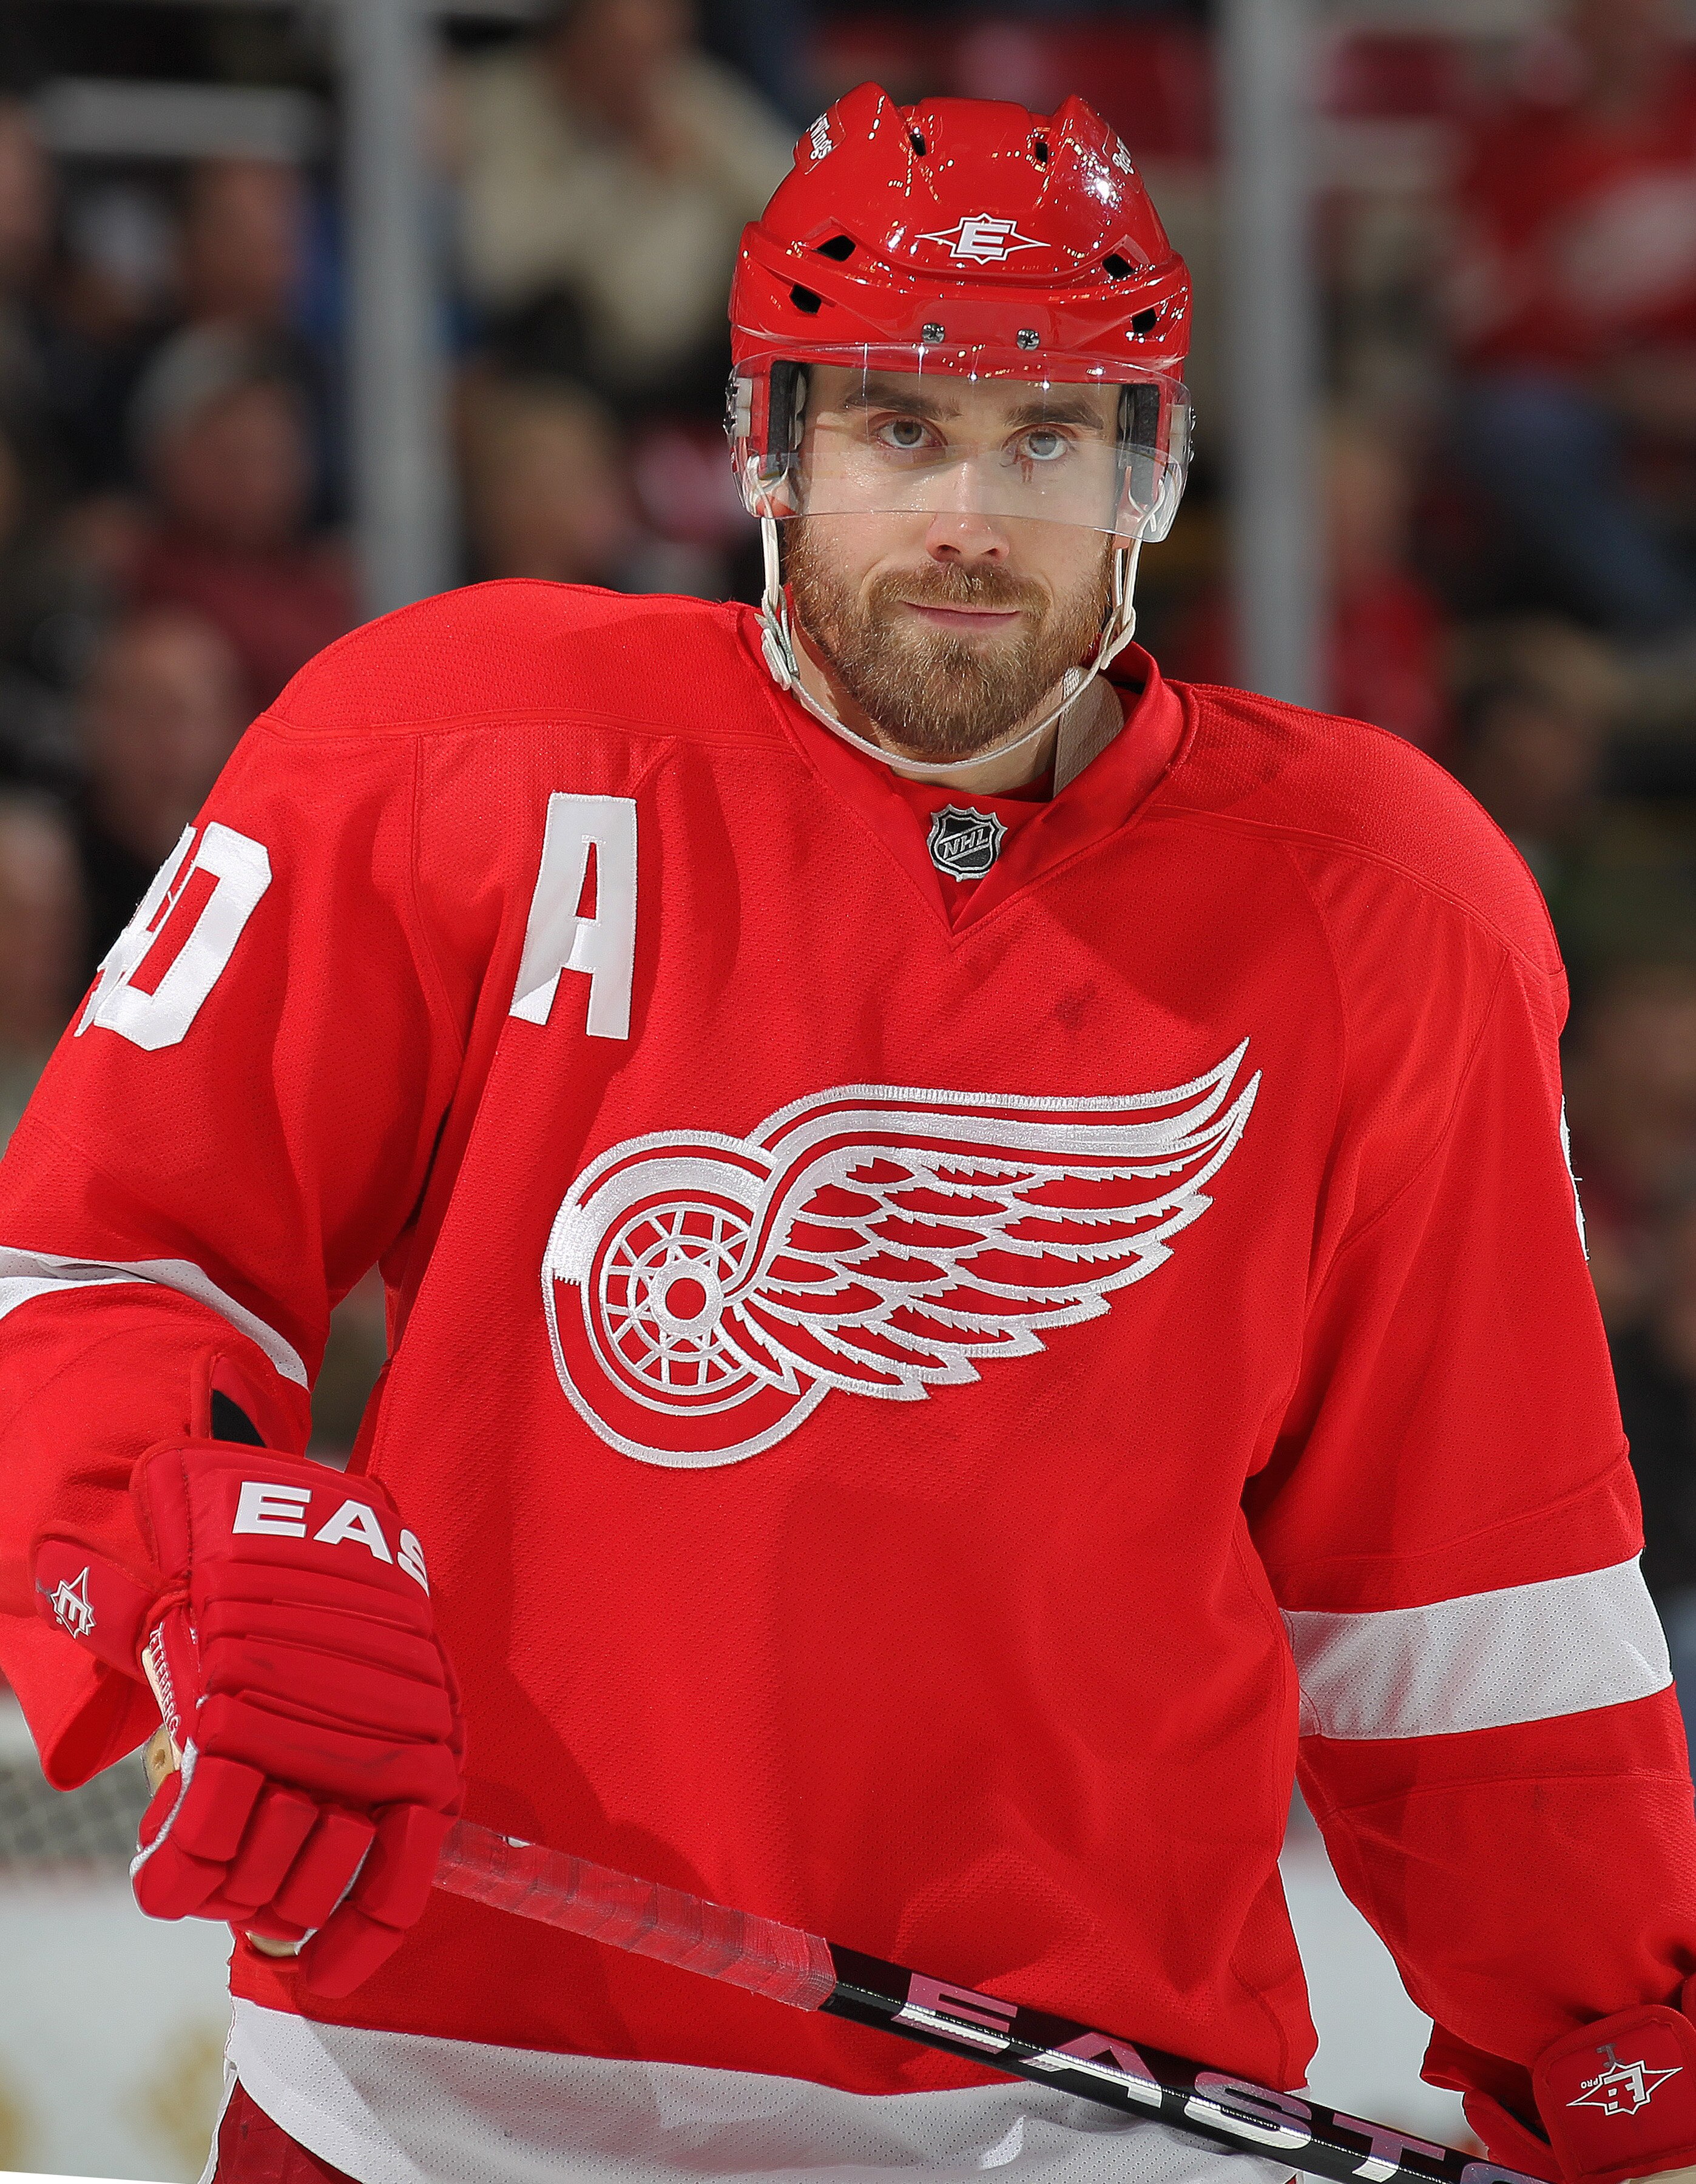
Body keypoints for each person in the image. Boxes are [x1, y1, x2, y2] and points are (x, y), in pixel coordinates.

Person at [0, 83, 1692, 2184]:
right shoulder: (445, 756)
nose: (973, 518)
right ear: (762, 446)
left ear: (1150, 473)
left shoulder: (1382, 911)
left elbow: (1465, 1589)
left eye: (1046, 438)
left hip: (1072, 2114)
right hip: (438, 2102)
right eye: (899, 430)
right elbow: (107, 1257)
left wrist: (1605, 2046)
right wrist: (186, 1551)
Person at [1445, 0, 1696, 639]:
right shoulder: (1512, 145)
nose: (1624, 32)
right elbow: (1479, 316)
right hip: (1576, 391)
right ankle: (1661, 621)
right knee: (1517, 427)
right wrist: (1614, 376)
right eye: (1605, 15)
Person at [451, 0, 791, 416]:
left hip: (699, 364)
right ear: (575, 33)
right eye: (622, 51)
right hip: (566, 375)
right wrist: (616, 170)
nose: (644, 72)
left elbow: (790, 193)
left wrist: (700, 160)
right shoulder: (501, 100)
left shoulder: (684, 93)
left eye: (660, 48)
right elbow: (496, 262)